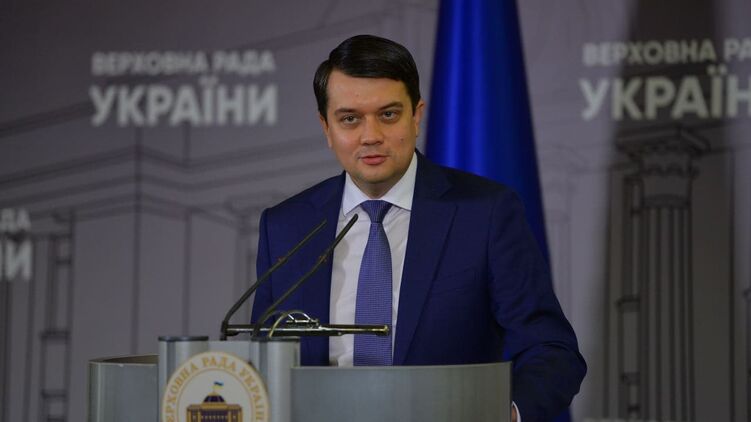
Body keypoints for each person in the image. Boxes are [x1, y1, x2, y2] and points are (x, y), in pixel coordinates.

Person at [251, 34, 586, 422]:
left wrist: (503, 415)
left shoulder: (485, 214)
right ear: (326, 127)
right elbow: (263, 360)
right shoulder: (286, 227)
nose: (371, 136)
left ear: (416, 116)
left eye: (388, 115)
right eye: (350, 119)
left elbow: (552, 350)